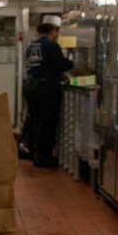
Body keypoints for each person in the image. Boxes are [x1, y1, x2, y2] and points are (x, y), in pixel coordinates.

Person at [23, 14, 74, 168]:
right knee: (47, 121)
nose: (57, 34)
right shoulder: (50, 45)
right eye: (57, 31)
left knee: (35, 119)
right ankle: (42, 157)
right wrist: (72, 63)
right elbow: (61, 64)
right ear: (53, 30)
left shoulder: (32, 45)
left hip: (31, 85)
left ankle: (32, 152)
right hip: (45, 87)